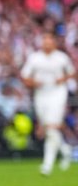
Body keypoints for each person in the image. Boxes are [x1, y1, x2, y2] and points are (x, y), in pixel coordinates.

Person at [21, 31, 75, 176]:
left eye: (49, 41)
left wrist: (61, 80)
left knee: (51, 126)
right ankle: (65, 150)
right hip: (41, 94)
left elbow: (72, 72)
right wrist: (34, 83)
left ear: (54, 43)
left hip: (57, 93)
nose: (46, 43)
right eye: (44, 40)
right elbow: (25, 76)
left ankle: (47, 165)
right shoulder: (34, 58)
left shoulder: (61, 58)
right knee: (48, 128)